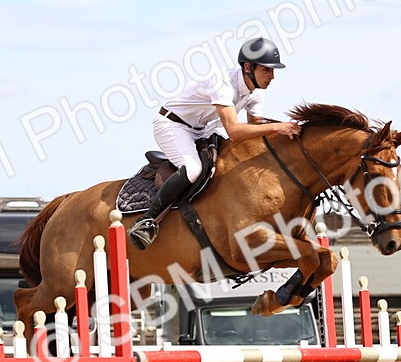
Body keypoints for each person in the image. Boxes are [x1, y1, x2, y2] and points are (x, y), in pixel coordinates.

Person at [128, 38, 302, 249]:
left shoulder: (257, 92)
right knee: (193, 170)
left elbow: (255, 124)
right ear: (248, 67)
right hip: (172, 125)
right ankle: (146, 222)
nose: (272, 76)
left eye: (273, 71)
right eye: (267, 70)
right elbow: (235, 130)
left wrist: (287, 129)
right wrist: (278, 128)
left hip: (202, 129)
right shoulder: (222, 82)